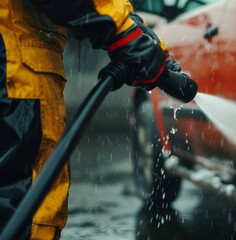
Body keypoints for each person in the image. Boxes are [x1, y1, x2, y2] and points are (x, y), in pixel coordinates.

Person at [0, 0, 196, 239]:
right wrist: (123, 31)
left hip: (13, 54)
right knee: (24, 205)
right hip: (13, 60)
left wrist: (139, 34)